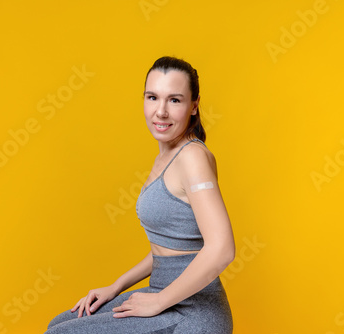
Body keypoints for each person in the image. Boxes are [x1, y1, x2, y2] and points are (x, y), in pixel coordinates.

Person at [44, 56, 235, 333]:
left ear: (194, 106)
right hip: (164, 291)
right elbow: (170, 248)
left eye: (175, 100)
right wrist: (115, 286)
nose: (161, 111)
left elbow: (221, 249)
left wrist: (159, 301)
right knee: (61, 323)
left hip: (192, 311)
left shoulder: (192, 157)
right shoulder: (167, 156)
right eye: (152, 97)